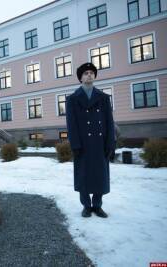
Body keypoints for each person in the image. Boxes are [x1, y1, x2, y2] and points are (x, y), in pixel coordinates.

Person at [66, 63, 115, 218]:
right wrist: (75, 144)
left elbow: (109, 122)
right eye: (85, 73)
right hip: (83, 144)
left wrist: (110, 143)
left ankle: (97, 205)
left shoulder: (103, 97)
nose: (89, 75)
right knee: (83, 175)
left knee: (100, 175)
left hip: (100, 144)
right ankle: (86, 206)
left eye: (91, 73)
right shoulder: (73, 99)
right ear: (80, 78)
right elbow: (71, 124)